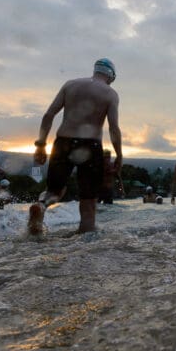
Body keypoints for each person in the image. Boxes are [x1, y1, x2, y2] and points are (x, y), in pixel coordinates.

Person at [30, 58, 122, 234]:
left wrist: (41, 144)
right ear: (110, 76)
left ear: (95, 70)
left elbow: (49, 115)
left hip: (63, 141)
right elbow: (114, 128)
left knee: (53, 191)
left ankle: (41, 206)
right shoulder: (110, 94)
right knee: (88, 200)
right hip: (90, 145)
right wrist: (119, 154)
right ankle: (85, 245)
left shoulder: (70, 85)